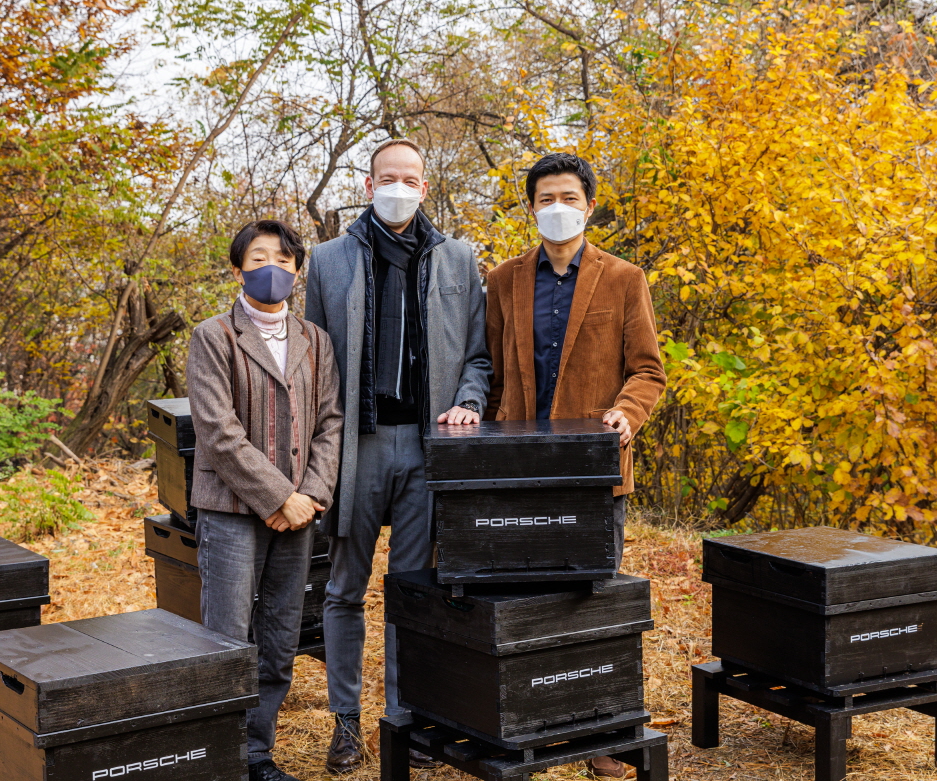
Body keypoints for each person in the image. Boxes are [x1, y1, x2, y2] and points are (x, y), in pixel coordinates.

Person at [305, 138, 491, 774]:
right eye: (388, 178)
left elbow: (478, 356)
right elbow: (312, 361)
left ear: (425, 187)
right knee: (344, 589)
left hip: (425, 444)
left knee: (413, 590)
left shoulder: (458, 257)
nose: (399, 188)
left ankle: (404, 719)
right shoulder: (328, 260)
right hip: (355, 444)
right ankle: (345, 723)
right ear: (368, 185)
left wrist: (468, 401)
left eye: (410, 179)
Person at [483, 153, 665, 777]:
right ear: (531, 207)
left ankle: (603, 733)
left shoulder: (624, 278)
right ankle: (529, 726)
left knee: (595, 600)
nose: (556, 208)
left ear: (590, 206)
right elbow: (493, 371)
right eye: (545, 198)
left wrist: (626, 414)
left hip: (592, 469)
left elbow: (648, 370)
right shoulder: (503, 279)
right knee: (523, 599)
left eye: (568, 197)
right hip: (520, 467)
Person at [186, 219, 343, 781]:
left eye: (282, 259)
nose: (270, 268)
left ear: (297, 271)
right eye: (257, 258)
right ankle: (219, 757)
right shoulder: (213, 336)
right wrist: (279, 498)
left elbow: (330, 422)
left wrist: (311, 494)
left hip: (299, 514)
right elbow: (217, 431)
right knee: (227, 639)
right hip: (231, 510)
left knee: (279, 637)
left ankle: (256, 754)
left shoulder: (315, 340)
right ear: (237, 270)